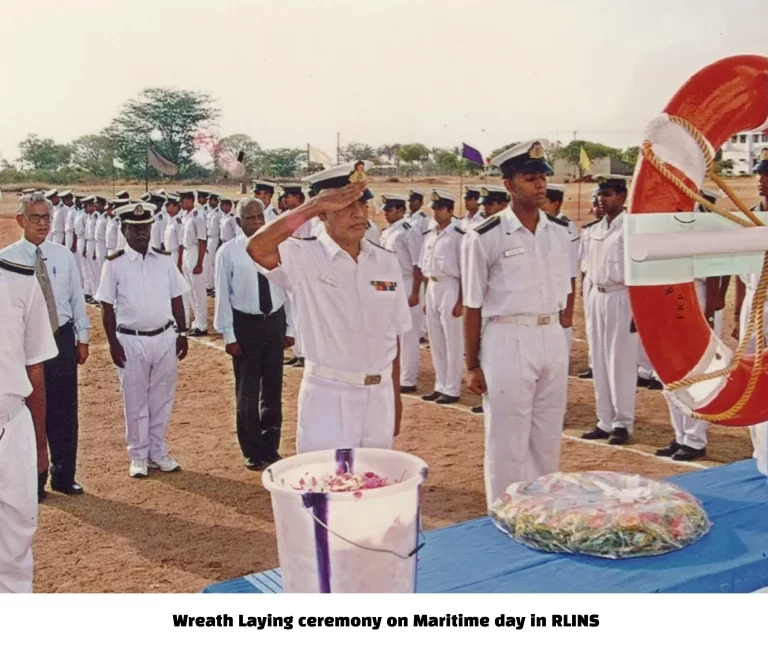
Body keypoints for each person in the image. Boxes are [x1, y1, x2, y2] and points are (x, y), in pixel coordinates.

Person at [246, 161, 411, 452]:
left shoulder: (386, 261)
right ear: (323, 213)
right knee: (324, 490)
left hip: (379, 395)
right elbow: (258, 247)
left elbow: (393, 334)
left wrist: (395, 397)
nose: (359, 213)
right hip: (329, 395)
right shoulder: (304, 255)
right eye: (345, 205)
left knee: (373, 487)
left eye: (362, 203)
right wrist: (308, 208)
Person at [463, 140, 573, 507]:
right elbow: (473, 304)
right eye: (530, 178)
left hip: (551, 335)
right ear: (509, 185)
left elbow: (567, 287)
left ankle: (544, 510)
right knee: (507, 436)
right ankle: (506, 510)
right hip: (507, 338)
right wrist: (471, 364)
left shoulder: (560, 231)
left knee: (546, 432)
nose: (540, 184)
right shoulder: (486, 236)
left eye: (542, 177)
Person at [1, 192, 91, 498]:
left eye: (46, 218)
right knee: (31, 411)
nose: (42, 224)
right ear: (20, 221)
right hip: (26, 348)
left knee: (65, 409)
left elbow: (76, 299)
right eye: (35, 218)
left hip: (60, 338)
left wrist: (83, 337)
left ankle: (64, 476)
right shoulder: (8, 260)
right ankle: (35, 479)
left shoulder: (63, 255)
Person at [95, 202, 190, 478]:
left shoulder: (164, 259)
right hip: (131, 340)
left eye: (145, 228)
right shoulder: (114, 263)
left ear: (151, 228)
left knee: (162, 398)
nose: (141, 234)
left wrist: (182, 333)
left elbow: (176, 297)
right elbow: (107, 306)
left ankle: (158, 451)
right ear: (123, 230)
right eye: (134, 229)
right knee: (135, 400)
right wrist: (113, 343)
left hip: (164, 337)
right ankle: (138, 455)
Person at [214, 198, 296, 470]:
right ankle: (251, 449)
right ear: (239, 222)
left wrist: (290, 328)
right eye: (250, 218)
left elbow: (288, 290)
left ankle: (270, 447)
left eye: (260, 216)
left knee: (273, 389)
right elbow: (223, 295)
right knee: (247, 392)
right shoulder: (228, 252)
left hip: (273, 321)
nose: (257, 222)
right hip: (245, 325)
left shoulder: (278, 247)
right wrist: (229, 335)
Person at [0, 254, 58, 592]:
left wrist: (39, 444)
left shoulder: (20, 280)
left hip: (12, 425)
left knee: (16, 544)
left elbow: (34, 367)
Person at [581, 175, 638, 446]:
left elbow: (640, 272)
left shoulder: (631, 228)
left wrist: (639, 310)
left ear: (622, 197)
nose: (601, 199)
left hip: (621, 296)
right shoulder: (593, 229)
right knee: (599, 361)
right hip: (597, 296)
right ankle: (604, 419)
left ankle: (622, 422)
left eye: (608, 194)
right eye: (600, 194)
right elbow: (586, 271)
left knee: (621, 361)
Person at [732, 151, 768, 474]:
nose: (761, 179)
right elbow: (739, 271)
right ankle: (759, 449)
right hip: (753, 302)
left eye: (767, 174)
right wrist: (735, 315)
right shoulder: (746, 216)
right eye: (759, 173)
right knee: (751, 372)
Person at [462, 185, 510, 415]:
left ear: (503, 204)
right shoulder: (481, 232)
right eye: (484, 204)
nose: (485, 208)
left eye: (490, 204)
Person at [420, 190, 465, 404]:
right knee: (436, 340)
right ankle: (440, 384)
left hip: (451, 285)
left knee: (453, 341)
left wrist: (461, 301)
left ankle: (453, 388)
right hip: (432, 286)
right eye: (434, 208)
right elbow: (423, 265)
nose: (435, 212)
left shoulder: (458, 234)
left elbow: (466, 270)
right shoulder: (430, 233)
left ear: (450, 210)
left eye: (439, 208)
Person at [379, 193, 424, 393]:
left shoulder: (409, 231)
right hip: (389, 284)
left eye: (389, 210)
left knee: (408, 335)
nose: (386, 214)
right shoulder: (388, 232)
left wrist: (415, 292)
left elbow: (417, 264)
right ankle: (394, 373)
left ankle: (407, 379)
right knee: (391, 331)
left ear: (400, 210)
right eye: (386, 210)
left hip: (406, 282)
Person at [542, 184, 579, 357]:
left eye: (544, 201)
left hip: (560, 295)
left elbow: (570, 272)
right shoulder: (540, 225)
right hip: (543, 293)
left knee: (559, 351)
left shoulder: (566, 228)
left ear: (555, 204)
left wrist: (568, 310)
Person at [577, 190, 603, 380]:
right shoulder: (589, 229)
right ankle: (595, 364)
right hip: (590, 281)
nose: (597, 208)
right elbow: (584, 259)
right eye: (595, 204)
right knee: (592, 326)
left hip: (611, 283)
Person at [181, 191, 209, 336]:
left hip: (194, 251)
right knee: (190, 291)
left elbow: (203, 241)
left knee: (198, 291)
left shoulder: (198, 217)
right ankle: (197, 322)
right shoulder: (186, 217)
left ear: (190, 200)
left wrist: (200, 263)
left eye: (183, 200)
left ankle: (202, 325)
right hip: (187, 252)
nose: (181, 203)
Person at [204, 192, 223, 295]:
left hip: (216, 238)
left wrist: (219, 244)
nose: (209, 202)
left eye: (211, 200)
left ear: (216, 201)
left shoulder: (219, 213)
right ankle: (210, 285)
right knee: (209, 264)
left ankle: (216, 287)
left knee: (215, 264)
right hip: (210, 238)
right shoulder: (211, 212)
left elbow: (221, 230)